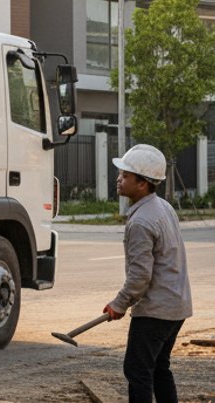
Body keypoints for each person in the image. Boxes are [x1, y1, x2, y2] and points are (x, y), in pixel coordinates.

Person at [103, 143, 192, 403]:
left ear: (142, 183)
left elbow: (140, 277)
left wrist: (119, 304)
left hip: (156, 311)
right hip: (176, 305)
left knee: (137, 370)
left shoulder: (141, 221)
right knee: (159, 368)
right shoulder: (163, 207)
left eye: (125, 175)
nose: (119, 179)